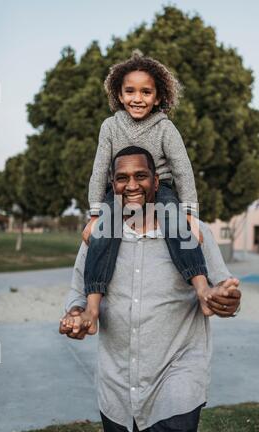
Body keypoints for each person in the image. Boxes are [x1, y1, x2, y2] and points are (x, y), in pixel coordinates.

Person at [60, 149, 241, 432]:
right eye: (122, 178)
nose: (131, 185)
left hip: (177, 379)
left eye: (141, 176)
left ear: (157, 182)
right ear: (112, 185)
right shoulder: (98, 237)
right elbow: (78, 292)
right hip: (116, 388)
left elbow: (222, 288)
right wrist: (78, 314)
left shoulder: (194, 233)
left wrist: (228, 300)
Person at [83, 51, 217, 322]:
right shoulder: (110, 127)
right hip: (119, 192)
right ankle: (92, 306)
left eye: (146, 92)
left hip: (161, 188)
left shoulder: (165, 128)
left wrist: (190, 214)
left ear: (157, 97)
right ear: (119, 95)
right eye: (130, 91)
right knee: (103, 233)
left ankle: (203, 289)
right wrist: (95, 215)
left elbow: (182, 169)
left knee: (175, 223)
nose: (137, 98)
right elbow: (99, 169)